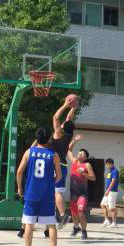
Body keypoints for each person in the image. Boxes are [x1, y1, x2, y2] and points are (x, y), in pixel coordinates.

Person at [16, 127, 62, 246]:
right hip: (47, 195)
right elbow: (59, 176)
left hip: (31, 193)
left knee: (29, 224)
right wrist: (50, 183)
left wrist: (20, 187)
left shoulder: (29, 152)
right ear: (48, 139)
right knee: (51, 224)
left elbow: (19, 172)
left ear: (37, 138)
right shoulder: (54, 155)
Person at [46, 98, 77, 234]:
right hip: (63, 166)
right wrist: (73, 107)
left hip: (56, 166)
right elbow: (68, 119)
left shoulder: (59, 134)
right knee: (52, 195)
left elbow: (55, 117)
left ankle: (63, 215)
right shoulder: (69, 134)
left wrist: (65, 105)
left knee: (56, 192)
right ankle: (52, 222)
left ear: (63, 127)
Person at [67, 135, 95, 240]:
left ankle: (84, 231)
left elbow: (93, 178)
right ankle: (76, 227)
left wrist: (83, 174)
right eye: (79, 152)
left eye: (82, 153)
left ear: (85, 157)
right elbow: (69, 150)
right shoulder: (74, 161)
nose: (79, 154)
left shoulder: (87, 165)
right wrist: (74, 140)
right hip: (73, 194)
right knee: (74, 215)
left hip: (82, 195)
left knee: (81, 212)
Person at [101, 158, 119, 227]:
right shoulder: (110, 172)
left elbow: (113, 181)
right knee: (102, 204)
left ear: (111, 164)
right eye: (106, 165)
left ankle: (114, 223)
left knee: (112, 207)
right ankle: (107, 220)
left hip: (112, 191)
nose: (107, 166)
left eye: (108, 164)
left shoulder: (115, 171)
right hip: (108, 191)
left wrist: (108, 190)